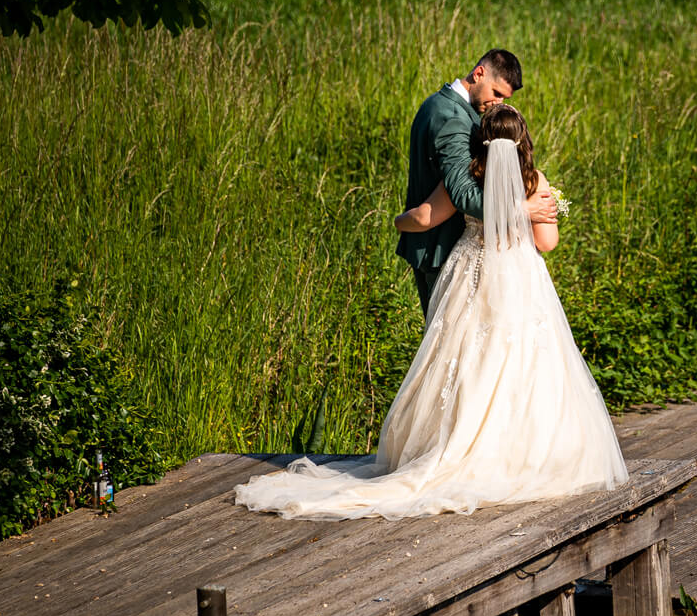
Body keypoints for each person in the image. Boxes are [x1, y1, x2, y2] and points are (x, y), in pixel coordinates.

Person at [234, 106, 628, 519]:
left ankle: (453, 443)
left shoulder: (467, 178)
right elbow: (547, 243)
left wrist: (397, 221)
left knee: (464, 357)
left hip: (472, 272)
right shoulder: (536, 183)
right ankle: (523, 452)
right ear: (523, 141)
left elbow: (424, 217)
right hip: (520, 277)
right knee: (524, 360)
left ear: (481, 141)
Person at [398, 49, 557, 319]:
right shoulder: (452, 118)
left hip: (450, 245)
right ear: (479, 73)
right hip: (441, 249)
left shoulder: (441, 103)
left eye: (505, 99)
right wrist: (521, 211)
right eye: (496, 93)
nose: (498, 103)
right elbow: (462, 194)